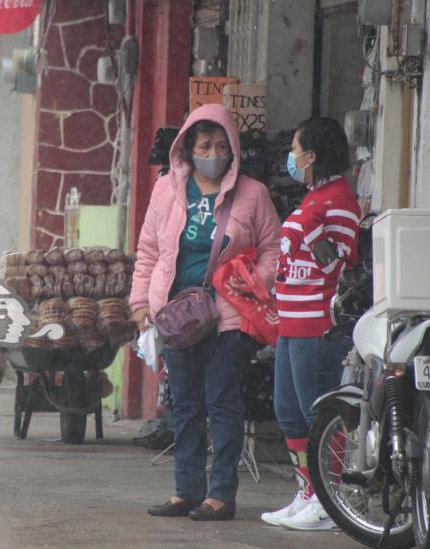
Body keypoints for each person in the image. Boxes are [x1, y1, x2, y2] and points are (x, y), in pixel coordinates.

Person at [130, 103, 280, 521]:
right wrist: (140, 304)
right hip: (178, 316)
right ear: (187, 148)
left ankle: (220, 496)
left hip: (229, 316)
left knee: (223, 403)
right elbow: (147, 252)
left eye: (221, 145)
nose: (213, 153)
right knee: (185, 406)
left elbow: (273, 250)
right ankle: (186, 490)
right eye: (205, 145)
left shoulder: (253, 194)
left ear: (233, 148)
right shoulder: (166, 190)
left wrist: (254, 280)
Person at [261, 118, 360, 530]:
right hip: (291, 322)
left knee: (318, 412)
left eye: (296, 150)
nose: (291, 158)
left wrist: (314, 225)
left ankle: (329, 498)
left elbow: (336, 261)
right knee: (289, 411)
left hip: (318, 324)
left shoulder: (339, 199)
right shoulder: (314, 195)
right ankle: (308, 490)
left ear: (312, 156)